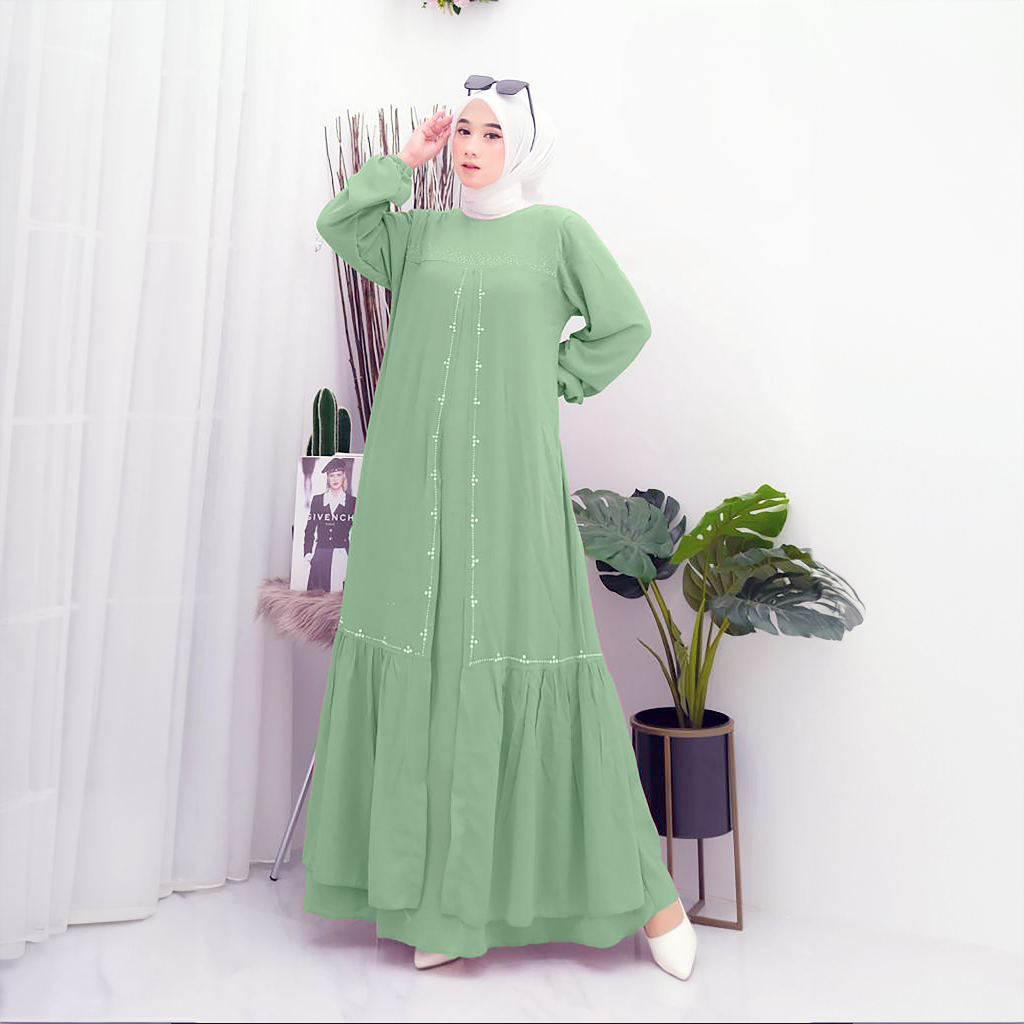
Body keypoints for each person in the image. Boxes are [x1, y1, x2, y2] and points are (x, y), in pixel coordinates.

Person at [303, 75, 697, 982]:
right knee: (429, 667)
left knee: (525, 656)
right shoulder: (419, 235)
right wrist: (404, 162)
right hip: (410, 491)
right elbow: (340, 224)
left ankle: (651, 897)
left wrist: (551, 377)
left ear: (524, 146)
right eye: (464, 132)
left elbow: (624, 325)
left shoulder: (557, 233)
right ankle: (440, 902)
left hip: (513, 488)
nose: (473, 147)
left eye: (491, 133)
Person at [303, 457, 356, 592]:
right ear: (327, 478)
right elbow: (309, 529)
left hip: (343, 555)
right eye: (331, 475)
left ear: (344, 475)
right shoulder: (317, 500)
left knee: (340, 596)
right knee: (317, 598)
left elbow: (358, 533)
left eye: (338, 475)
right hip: (321, 555)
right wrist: (308, 553)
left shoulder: (352, 502)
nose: (335, 479)